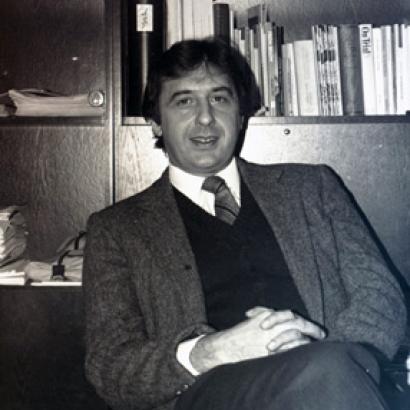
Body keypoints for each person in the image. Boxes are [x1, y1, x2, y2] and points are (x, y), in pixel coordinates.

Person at [83, 38, 407, 410]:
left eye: (220, 99)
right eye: (184, 101)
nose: (206, 117)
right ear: (155, 123)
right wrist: (212, 351)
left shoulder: (312, 188)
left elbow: (381, 298)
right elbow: (110, 367)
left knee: (327, 375)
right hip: (206, 396)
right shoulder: (117, 229)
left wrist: (320, 352)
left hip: (330, 377)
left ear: (240, 116)